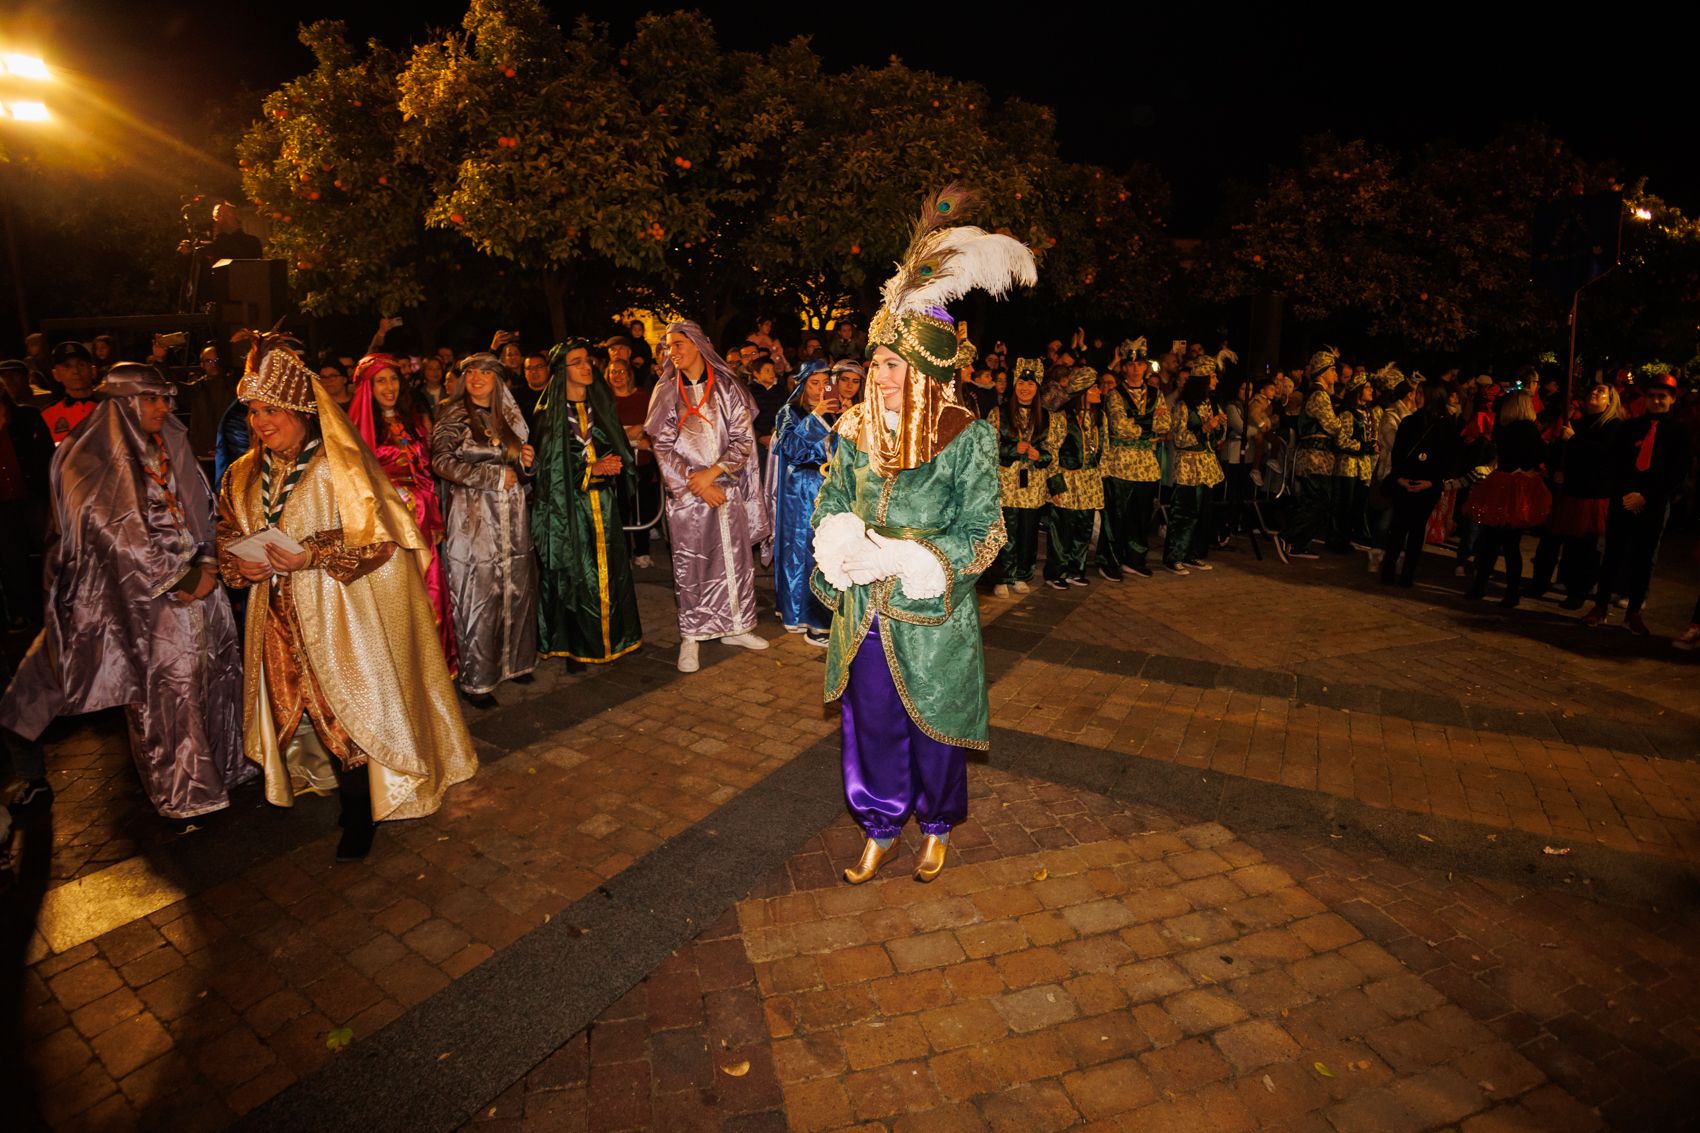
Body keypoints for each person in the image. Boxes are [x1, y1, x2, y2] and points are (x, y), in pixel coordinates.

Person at [811, 187, 1028, 886]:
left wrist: (925, 558)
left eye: (893, 365)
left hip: (933, 612)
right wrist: (837, 545)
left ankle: (934, 825)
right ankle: (879, 825)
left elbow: (986, 528)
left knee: (934, 727)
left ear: (928, 373)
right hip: (866, 611)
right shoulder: (852, 432)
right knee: (870, 723)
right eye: (876, 363)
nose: (880, 375)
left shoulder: (968, 437)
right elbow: (830, 504)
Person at [216, 334, 477, 860]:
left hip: (340, 614)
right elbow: (225, 532)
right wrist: (237, 565)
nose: (262, 422)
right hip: (276, 617)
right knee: (302, 708)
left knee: (346, 711)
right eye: (253, 411)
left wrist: (312, 555)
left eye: (272, 410)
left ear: (300, 410)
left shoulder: (341, 467)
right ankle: (332, 788)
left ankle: (360, 813)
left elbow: (382, 537)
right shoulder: (241, 475)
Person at [1, 363, 253, 819]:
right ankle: (185, 793)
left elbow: (200, 508)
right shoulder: (91, 457)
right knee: (164, 695)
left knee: (215, 675)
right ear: (126, 402)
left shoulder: (166, 442)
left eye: (165, 398)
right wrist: (179, 579)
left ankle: (226, 765)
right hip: (146, 602)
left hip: (199, 590)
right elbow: (112, 535)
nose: (164, 407)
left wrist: (208, 562)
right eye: (152, 398)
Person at [645, 320, 772, 673]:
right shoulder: (666, 390)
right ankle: (692, 636)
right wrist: (693, 481)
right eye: (668, 346)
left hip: (725, 488)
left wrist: (712, 475)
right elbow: (662, 444)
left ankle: (737, 625)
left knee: (734, 561)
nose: (673, 352)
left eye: (678, 345)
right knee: (692, 563)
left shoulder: (728, 387)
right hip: (688, 496)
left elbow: (744, 441)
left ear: (698, 345)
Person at [431, 354, 539, 706]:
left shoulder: (507, 415)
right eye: (471, 372)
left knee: (516, 586)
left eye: (486, 373)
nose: (478, 378)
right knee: (478, 592)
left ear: (498, 380)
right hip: (472, 516)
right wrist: (491, 477)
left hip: (512, 515)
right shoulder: (453, 413)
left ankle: (516, 663)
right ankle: (477, 679)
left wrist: (527, 464)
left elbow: (521, 465)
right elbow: (441, 461)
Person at [531, 340, 642, 665]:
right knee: (576, 574)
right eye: (577, 362)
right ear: (562, 371)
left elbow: (611, 442)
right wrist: (589, 468)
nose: (586, 367)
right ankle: (575, 646)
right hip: (568, 510)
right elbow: (548, 468)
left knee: (609, 573)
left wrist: (616, 458)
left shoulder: (599, 404)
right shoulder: (547, 414)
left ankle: (614, 638)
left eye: (587, 361)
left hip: (602, 505)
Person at [349, 354, 458, 671]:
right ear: (367, 386)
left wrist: (435, 518)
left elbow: (425, 473)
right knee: (396, 602)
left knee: (431, 596)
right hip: (387, 528)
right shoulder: (355, 428)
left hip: (421, 521)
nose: (389, 386)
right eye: (381, 380)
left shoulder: (413, 420)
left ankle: (434, 670)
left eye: (394, 378)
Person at [1586, 374, 1692, 633]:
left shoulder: (1679, 432)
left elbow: (1677, 472)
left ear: (1672, 399)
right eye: (1653, 396)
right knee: (1613, 553)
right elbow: (1615, 463)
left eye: (1662, 397)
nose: (1657, 401)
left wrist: (1646, 496)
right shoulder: (1629, 427)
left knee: (1645, 558)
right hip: (1624, 498)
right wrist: (1625, 493)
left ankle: (1634, 612)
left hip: (1653, 503)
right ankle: (1600, 606)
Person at [1530, 383, 1624, 608]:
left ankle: (1578, 591)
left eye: (1602, 392)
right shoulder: (1578, 423)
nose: (1595, 392)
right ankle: (1539, 583)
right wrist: (1555, 470)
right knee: (1551, 539)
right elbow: (1560, 452)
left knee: (1583, 546)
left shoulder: (1613, 426)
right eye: (1593, 389)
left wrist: (1574, 440)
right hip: (1569, 490)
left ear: (1610, 401)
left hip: (1591, 494)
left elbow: (1606, 454)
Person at [769, 362, 838, 644]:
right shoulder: (790, 412)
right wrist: (817, 417)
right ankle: (805, 617)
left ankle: (822, 614)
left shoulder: (839, 411)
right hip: (801, 490)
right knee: (802, 552)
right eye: (815, 383)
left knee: (828, 552)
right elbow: (792, 450)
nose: (821, 389)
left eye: (825, 383)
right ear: (803, 385)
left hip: (831, 489)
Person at [1465, 391, 1550, 607]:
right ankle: (1510, 593)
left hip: (1503, 484)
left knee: (1491, 541)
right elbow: (1541, 455)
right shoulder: (1529, 430)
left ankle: (1479, 587)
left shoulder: (1504, 428)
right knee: (1511, 544)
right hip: (1519, 486)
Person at [990, 359, 1063, 596]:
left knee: (1028, 531)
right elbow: (986, 448)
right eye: (1021, 383)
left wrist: (1038, 454)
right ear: (1014, 384)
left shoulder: (1048, 418)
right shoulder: (998, 413)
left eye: (1030, 384)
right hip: (1007, 482)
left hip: (1033, 484)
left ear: (1037, 387)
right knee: (1006, 529)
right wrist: (1012, 450)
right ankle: (1003, 576)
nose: (1025, 388)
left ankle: (1022, 574)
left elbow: (1053, 452)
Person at [1380, 379, 1461, 586]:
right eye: (1417, 393)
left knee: (1416, 530)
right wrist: (1400, 478)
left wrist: (1432, 481)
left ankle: (1408, 573)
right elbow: (1398, 453)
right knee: (1397, 528)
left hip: (1427, 485)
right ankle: (1388, 570)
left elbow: (1449, 460)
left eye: (1421, 394)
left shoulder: (1446, 427)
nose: (1416, 398)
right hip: (1404, 482)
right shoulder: (1409, 422)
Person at [1097, 347, 1168, 580]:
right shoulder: (1115, 394)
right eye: (1131, 365)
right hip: (1120, 464)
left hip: (1146, 465)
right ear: (1124, 367)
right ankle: (1110, 561)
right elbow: (1119, 426)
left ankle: (1134, 559)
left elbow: (1165, 423)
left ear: (1145, 367)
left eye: (1139, 364)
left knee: (1141, 515)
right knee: (1117, 515)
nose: (1135, 369)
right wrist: (1148, 428)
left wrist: (1137, 425)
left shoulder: (1157, 394)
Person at [1274, 348, 1346, 562]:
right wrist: (1342, 424)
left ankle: (1298, 544)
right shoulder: (1319, 395)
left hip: (1319, 458)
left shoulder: (1319, 394)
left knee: (1312, 501)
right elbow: (1333, 426)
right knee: (1319, 500)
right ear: (1323, 372)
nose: (1335, 375)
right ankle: (1287, 536)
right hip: (1315, 458)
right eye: (1332, 370)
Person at [1041, 367, 1106, 588]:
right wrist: (1055, 485)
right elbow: (1051, 450)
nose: (1099, 391)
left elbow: (1101, 449)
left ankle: (1075, 569)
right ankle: (1055, 572)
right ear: (1084, 391)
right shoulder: (1061, 418)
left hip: (1089, 479)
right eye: (1094, 387)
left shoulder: (1099, 416)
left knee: (1084, 526)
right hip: (1068, 479)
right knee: (1062, 528)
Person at [1165, 365, 1227, 574]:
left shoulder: (1211, 404)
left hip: (1206, 464)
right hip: (1189, 465)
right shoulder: (1183, 406)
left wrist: (1219, 427)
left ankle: (1193, 553)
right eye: (1212, 377)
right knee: (1184, 511)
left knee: (1202, 511)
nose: (1216, 380)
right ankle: (1174, 555)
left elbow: (1216, 440)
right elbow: (1180, 438)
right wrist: (1205, 428)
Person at [608, 355, 658, 567]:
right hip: (616, 463)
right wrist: (630, 432)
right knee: (620, 509)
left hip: (642, 462)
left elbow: (652, 424)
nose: (617, 376)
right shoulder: (605, 400)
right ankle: (624, 554)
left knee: (643, 507)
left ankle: (642, 551)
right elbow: (608, 430)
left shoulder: (643, 397)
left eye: (621, 371)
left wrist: (642, 434)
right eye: (613, 372)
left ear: (629, 374)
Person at [43, 341, 99, 446]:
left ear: (93, 371)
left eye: (81, 364)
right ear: (56, 375)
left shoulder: (111, 406)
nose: (75, 371)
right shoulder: (49, 415)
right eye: (67, 366)